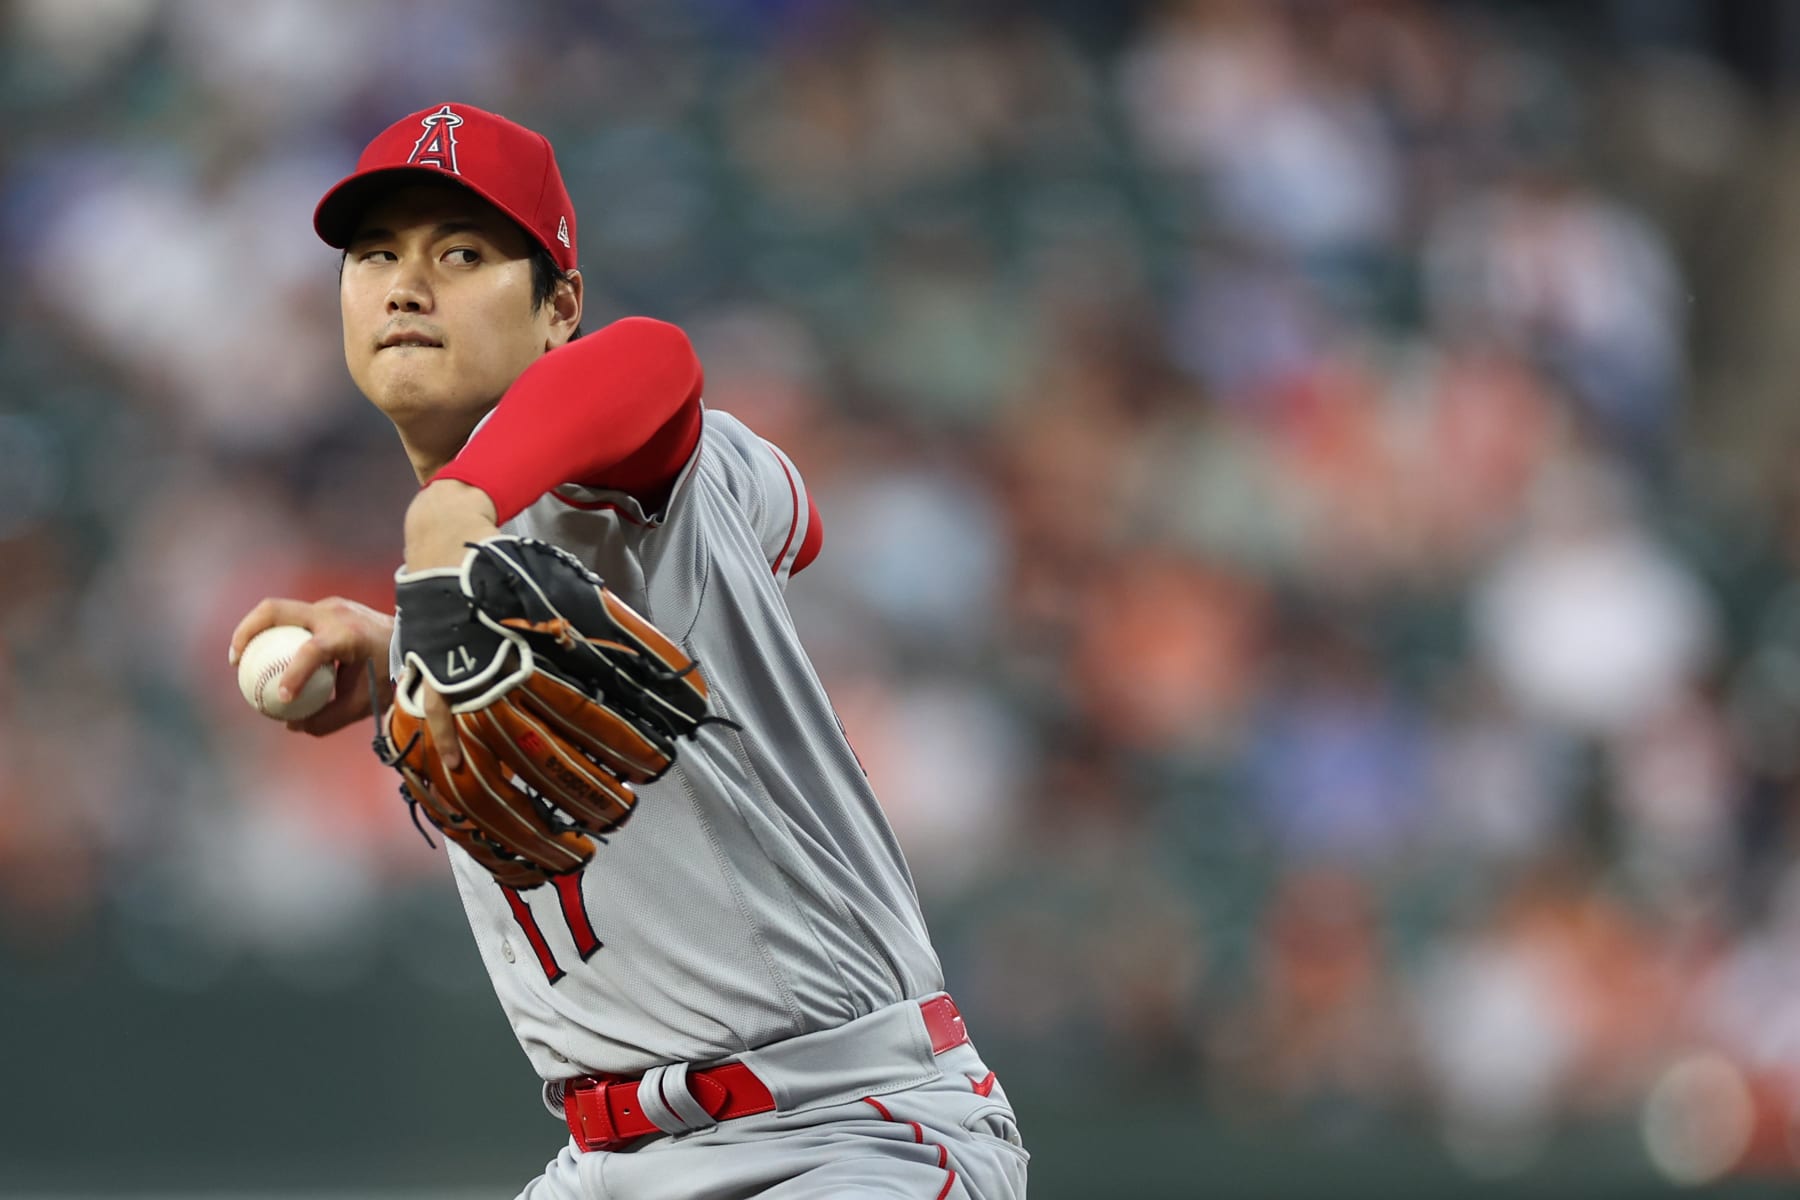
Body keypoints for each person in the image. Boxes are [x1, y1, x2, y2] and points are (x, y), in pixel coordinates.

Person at [228, 102, 1028, 1199]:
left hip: (842, 1132)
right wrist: (400, 645)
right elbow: (798, 519)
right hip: (603, 1162)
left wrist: (450, 516)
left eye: (462, 254)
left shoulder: (615, 481)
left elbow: (653, 362)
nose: (406, 286)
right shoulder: (488, 578)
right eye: (376, 256)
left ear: (561, 309)